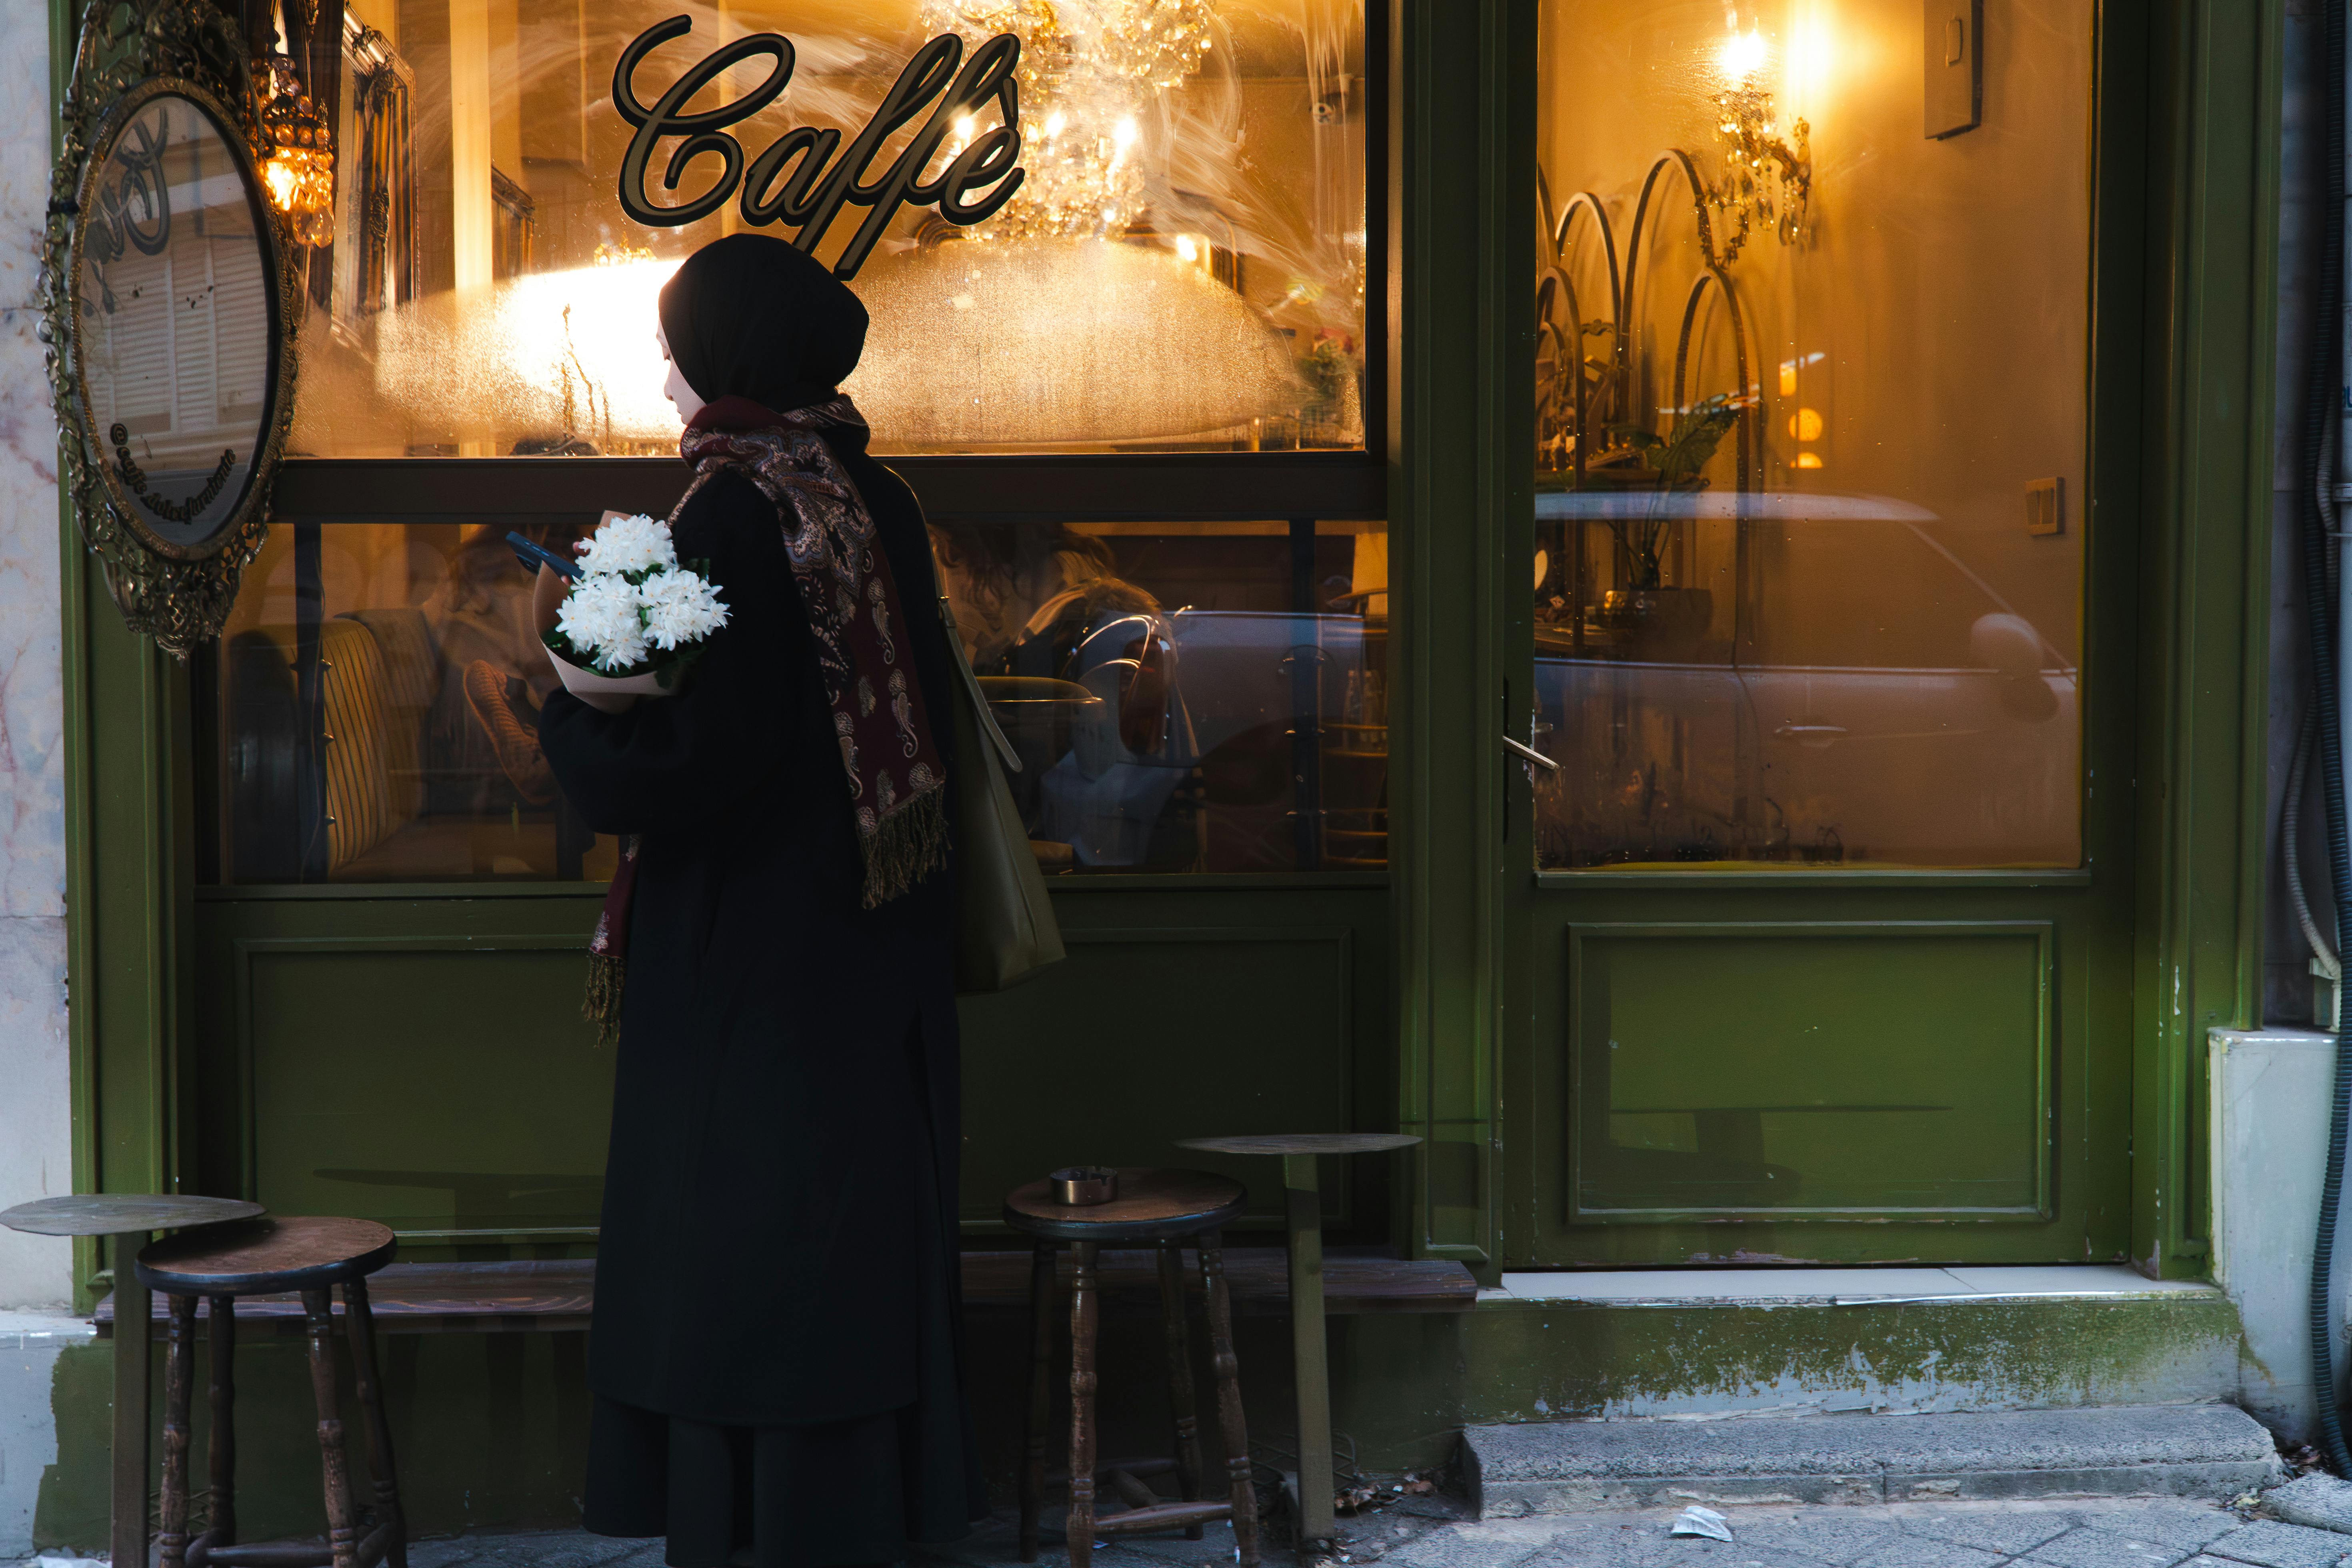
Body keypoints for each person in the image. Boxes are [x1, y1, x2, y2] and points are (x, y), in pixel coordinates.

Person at [536, 234, 982, 1568]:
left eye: (674, 346)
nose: (664, 375)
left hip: (750, 964)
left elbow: (699, 755)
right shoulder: (871, 491)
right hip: (871, 946)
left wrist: (562, 728)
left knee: (749, 1253)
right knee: (849, 1241)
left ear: (724, 353)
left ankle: (762, 1538)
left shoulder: (733, 508)